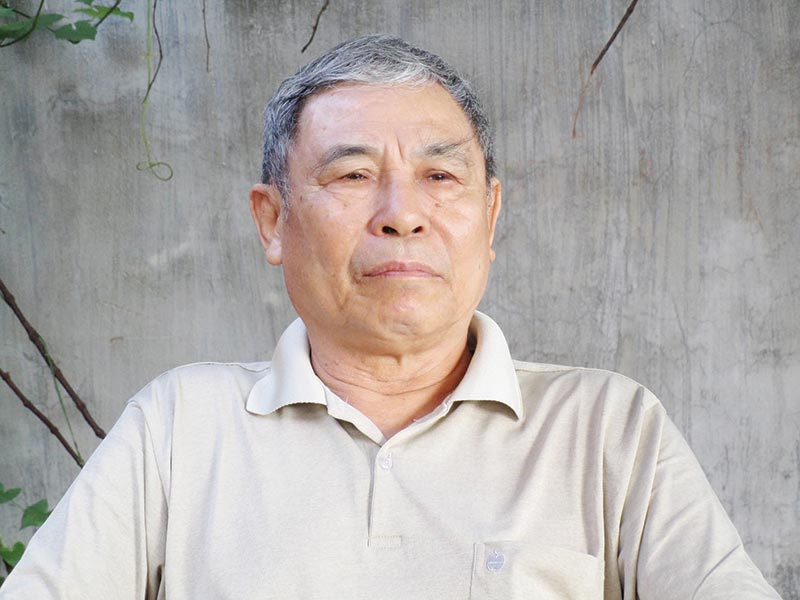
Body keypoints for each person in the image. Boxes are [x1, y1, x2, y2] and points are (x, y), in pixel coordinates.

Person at [1, 35, 781, 599]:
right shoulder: (180, 424)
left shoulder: (608, 426)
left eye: (440, 175)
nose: (401, 214)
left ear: (490, 215)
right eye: (352, 175)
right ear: (272, 222)